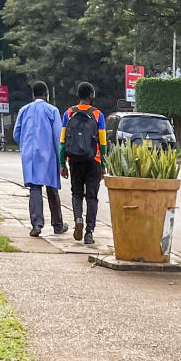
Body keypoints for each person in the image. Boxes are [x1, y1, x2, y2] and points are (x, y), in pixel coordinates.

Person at [12, 81, 68, 237]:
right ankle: (57, 224)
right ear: (46, 94)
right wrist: (62, 160)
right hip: (48, 155)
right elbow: (58, 138)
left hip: (30, 156)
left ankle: (36, 224)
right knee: (51, 188)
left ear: (33, 94)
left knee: (35, 188)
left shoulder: (24, 110)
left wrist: (26, 143)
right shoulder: (52, 111)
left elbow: (16, 134)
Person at [60, 82, 107, 245]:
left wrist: (62, 163)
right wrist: (104, 165)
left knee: (77, 193)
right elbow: (103, 143)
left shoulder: (68, 113)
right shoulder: (98, 115)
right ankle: (89, 232)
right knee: (92, 197)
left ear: (78, 96)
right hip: (93, 160)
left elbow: (62, 141)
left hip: (74, 159)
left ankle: (78, 218)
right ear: (91, 96)